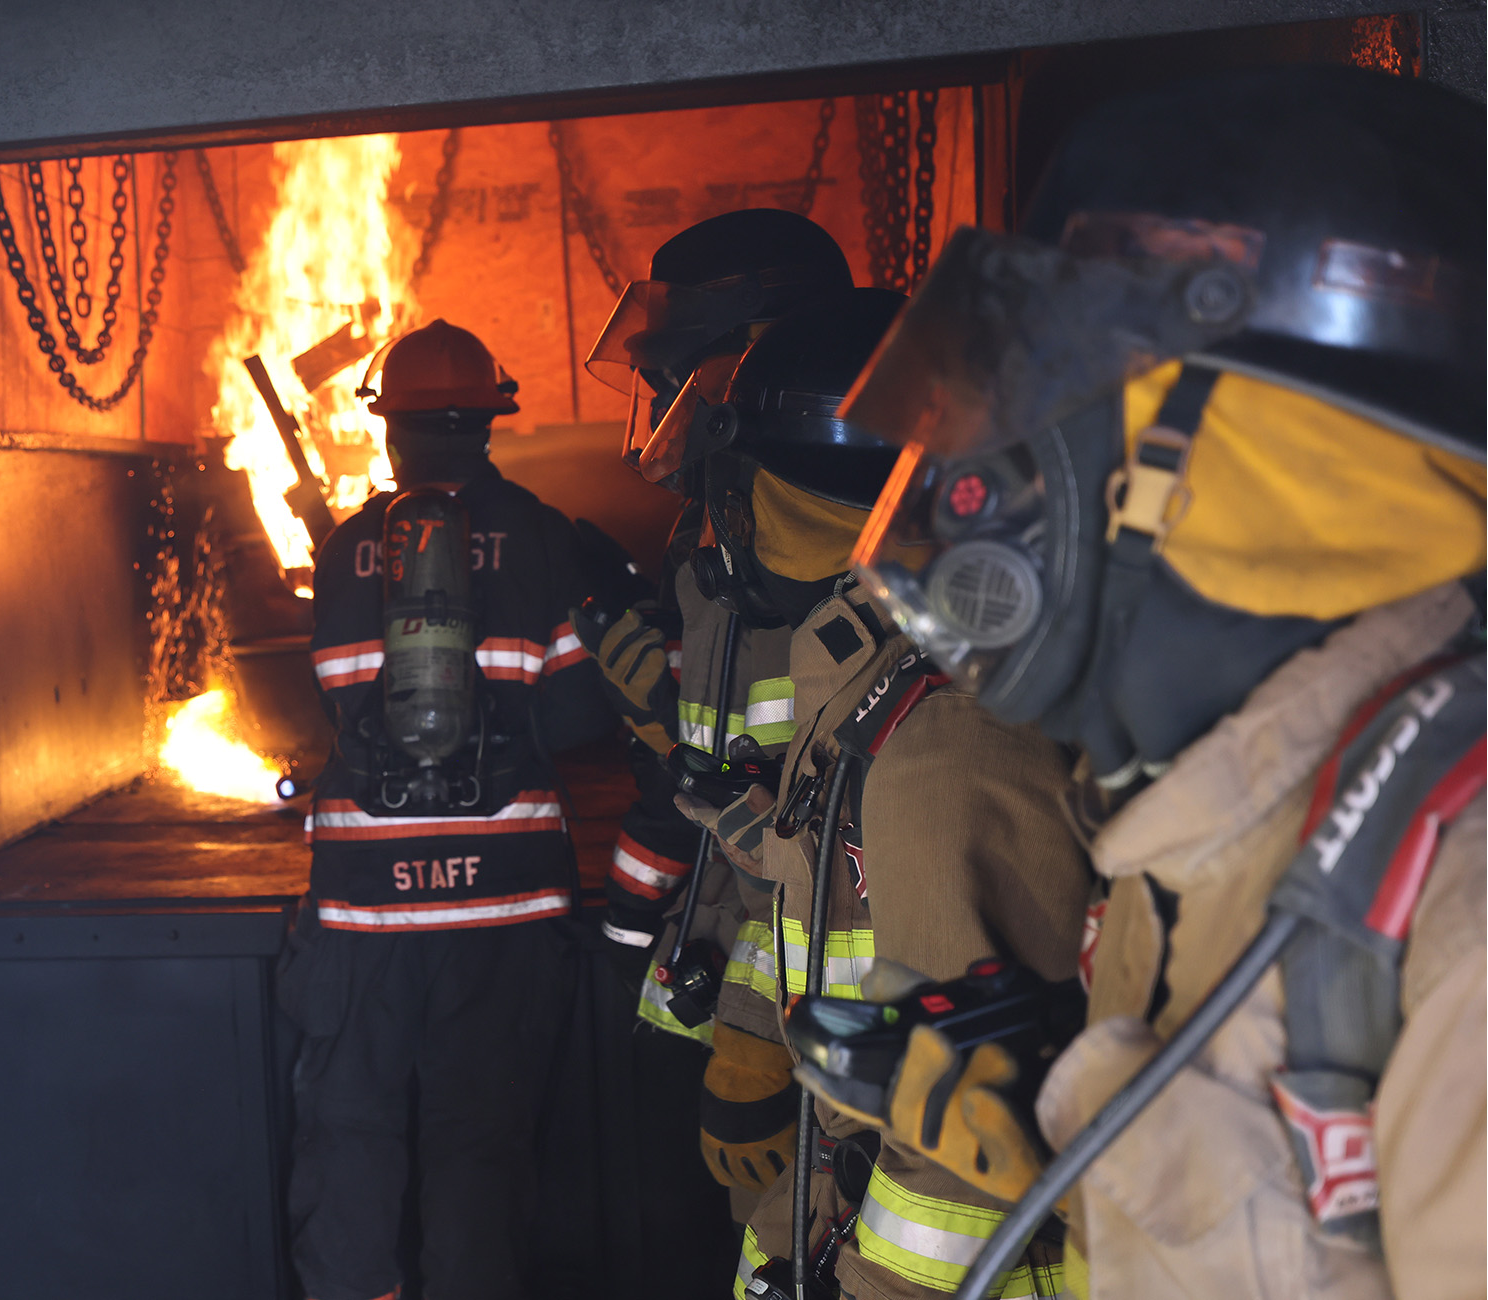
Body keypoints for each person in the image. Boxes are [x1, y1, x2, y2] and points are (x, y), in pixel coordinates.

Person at [839, 65, 1482, 1298]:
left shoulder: (1458, 925)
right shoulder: (1179, 854)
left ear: (1234, 463)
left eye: (1046, 414)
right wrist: (1077, 1149)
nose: (980, 480)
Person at [621, 287, 1091, 1300]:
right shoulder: (868, 688)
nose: (716, 532)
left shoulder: (941, 740)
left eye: (735, 495)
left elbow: (967, 1158)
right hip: (851, 1179)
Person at [283, 320, 611, 1300]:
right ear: (488, 422)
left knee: (349, 1133)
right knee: (481, 1148)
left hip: (363, 909)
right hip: (503, 909)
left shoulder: (346, 550)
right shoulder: (549, 540)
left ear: (389, 429)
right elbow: (580, 712)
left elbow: (336, 702)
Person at [574, 211, 855, 1234]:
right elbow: (745, 775)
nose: (661, 403)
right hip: (765, 1012)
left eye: (678, 376)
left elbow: (834, 836)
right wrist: (667, 727)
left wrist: (748, 1039)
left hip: (822, 1039)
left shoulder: (818, 534)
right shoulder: (730, 529)